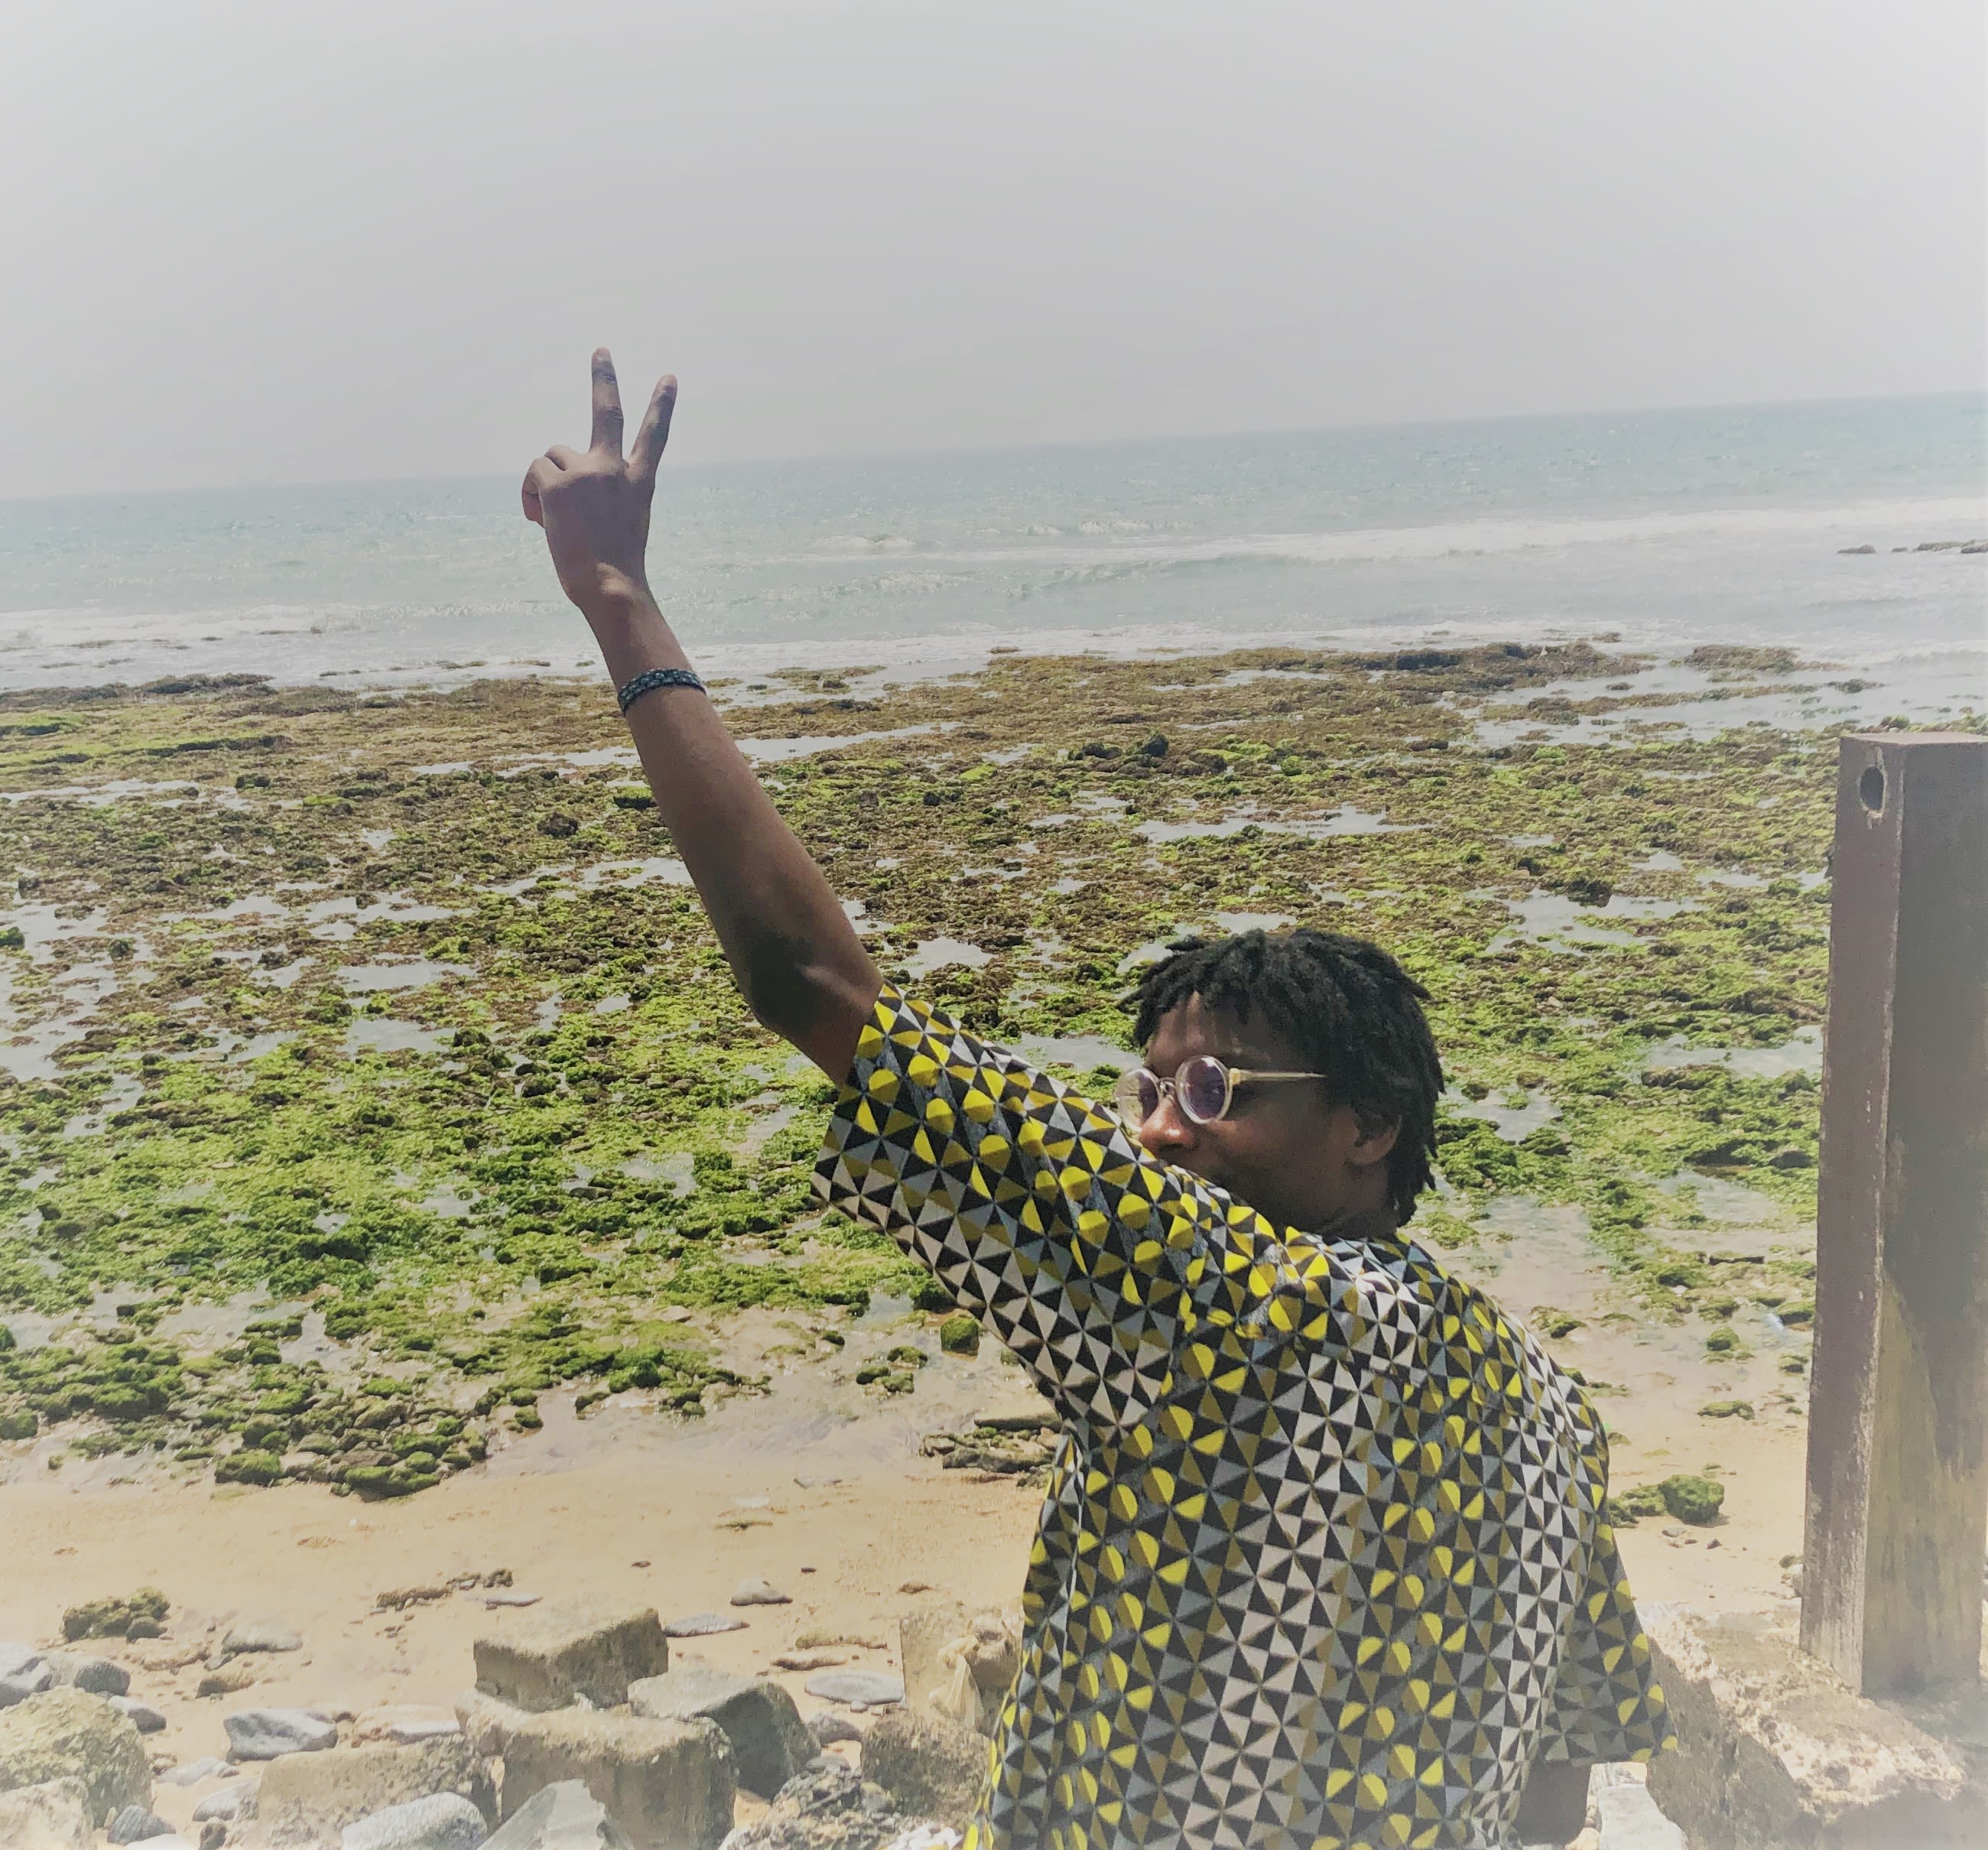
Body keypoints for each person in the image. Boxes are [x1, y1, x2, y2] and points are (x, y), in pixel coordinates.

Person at [521, 353, 1673, 1850]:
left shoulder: (1211, 1285)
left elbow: (809, 980)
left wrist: (619, 600)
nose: (1156, 1129)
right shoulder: (1547, 1410)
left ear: (1369, 1126)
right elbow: (1557, 1788)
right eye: (1144, 1087)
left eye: (1213, 1088)